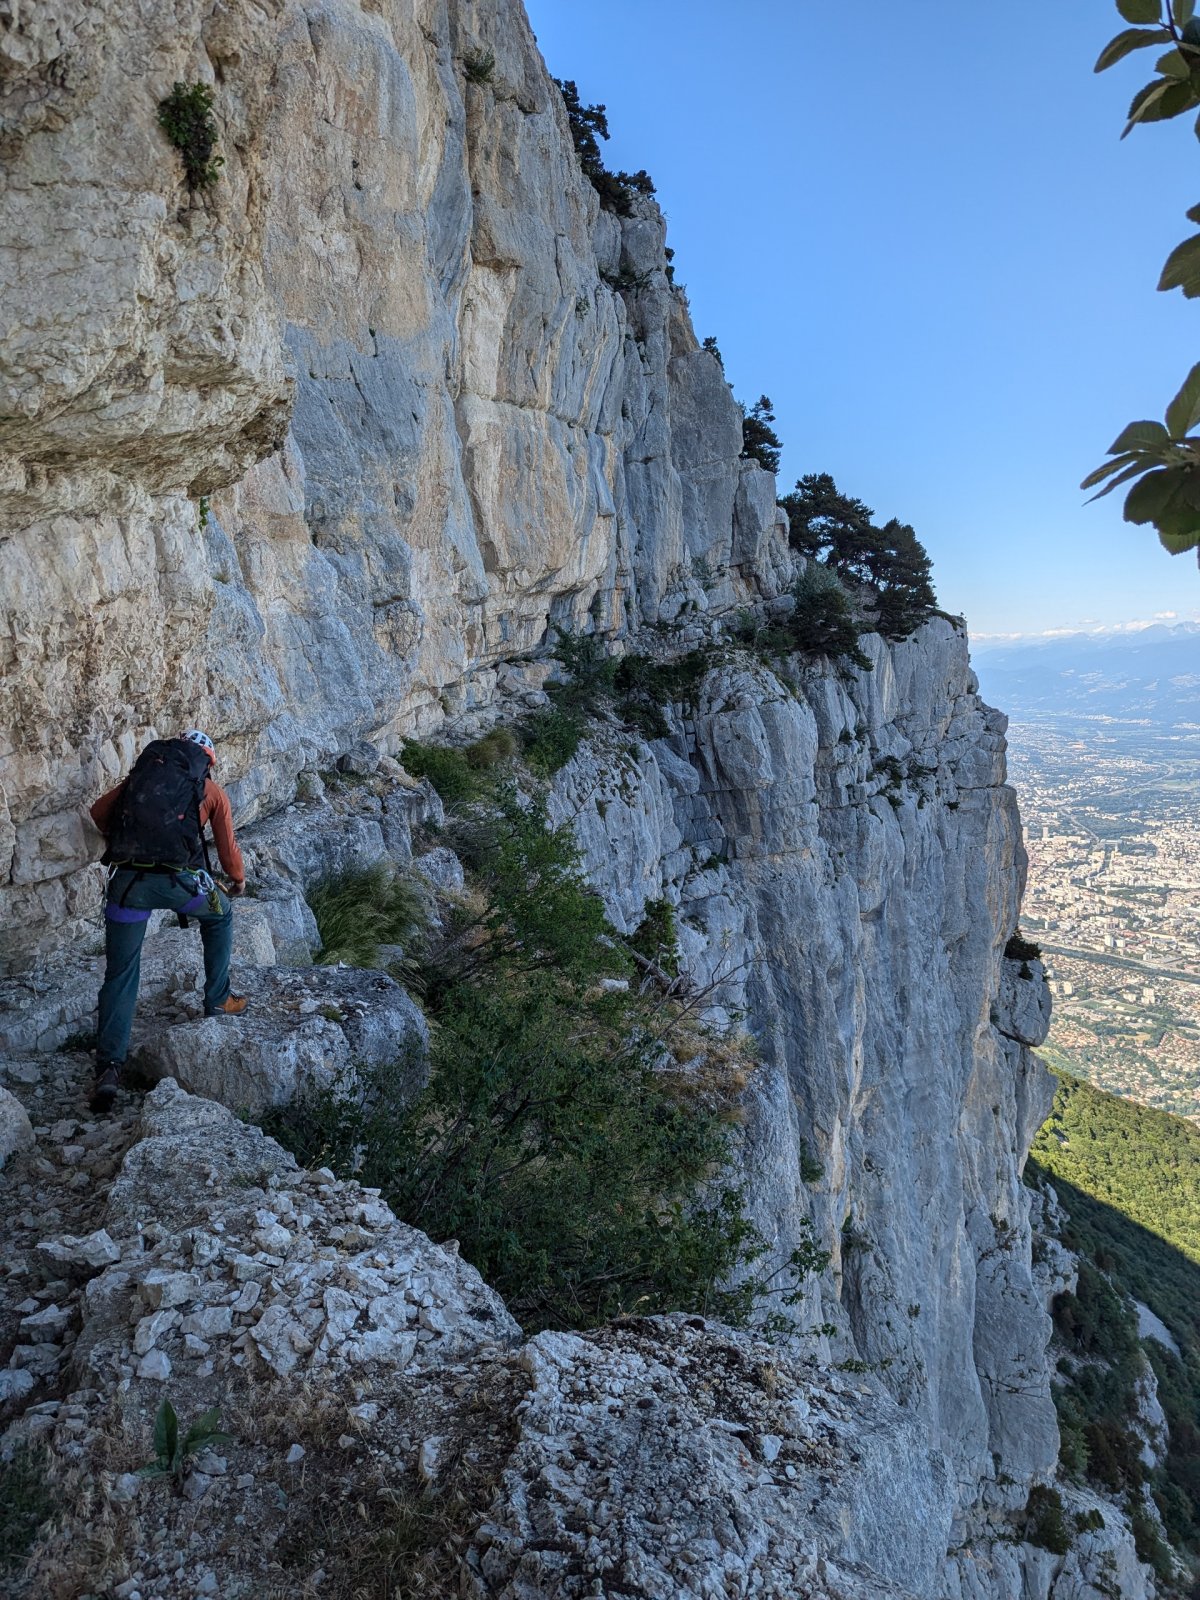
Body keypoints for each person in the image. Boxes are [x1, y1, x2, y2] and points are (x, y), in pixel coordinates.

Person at [88, 730, 248, 1112]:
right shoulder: (210, 791)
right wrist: (237, 881)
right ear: (206, 762)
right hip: (182, 884)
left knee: (121, 972)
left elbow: (97, 812)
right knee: (221, 916)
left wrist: (132, 842)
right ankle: (218, 999)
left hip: (128, 884)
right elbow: (227, 851)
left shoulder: (141, 780)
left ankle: (109, 1068)